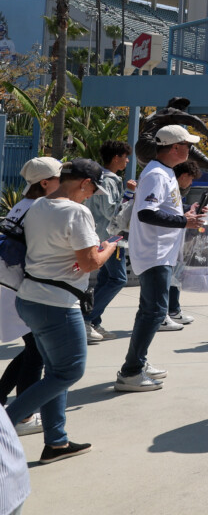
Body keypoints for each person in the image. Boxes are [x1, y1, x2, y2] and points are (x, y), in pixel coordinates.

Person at [6, 159, 118, 463]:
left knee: (56, 371)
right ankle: (6, 421)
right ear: (83, 183)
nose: (93, 195)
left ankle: (56, 442)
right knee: (70, 371)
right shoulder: (76, 211)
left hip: (29, 298)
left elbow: (51, 249)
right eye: (94, 188)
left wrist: (83, 256)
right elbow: (90, 263)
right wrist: (111, 247)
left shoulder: (38, 205)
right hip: (56, 304)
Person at [116, 126, 207, 393]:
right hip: (154, 253)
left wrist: (185, 213)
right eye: (187, 145)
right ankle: (131, 372)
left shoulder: (163, 172)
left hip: (159, 252)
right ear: (174, 147)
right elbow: (146, 212)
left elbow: (159, 209)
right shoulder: (156, 173)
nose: (190, 150)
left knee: (150, 311)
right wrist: (183, 220)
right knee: (154, 312)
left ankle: (137, 363)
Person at [0, 158, 62, 434]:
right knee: (36, 350)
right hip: (16, 286)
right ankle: (23, 417)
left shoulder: (22, 204)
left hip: (7, 282)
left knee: (33, 348)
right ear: (45, 182)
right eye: (60, 177)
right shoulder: (40, 208)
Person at [84, 140, 134, 344]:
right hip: (109, 237)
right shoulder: (109, 180)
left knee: (106, 278)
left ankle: (93, 320)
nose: (127, 160)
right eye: (125, 156)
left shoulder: (101, 177)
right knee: (118, 278)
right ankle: (86, 319)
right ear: (116, 158)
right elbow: (111, 211)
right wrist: (129, 195)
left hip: (104, 234)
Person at [163, 160, 202, 330]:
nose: (191, 183)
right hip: (164, 241)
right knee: (165, 278)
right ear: (184, 176)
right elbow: (164, 211)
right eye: (191, 179)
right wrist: (185, 215)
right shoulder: (168, 186)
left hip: (173, 239)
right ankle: (163, 314)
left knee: (174, 276)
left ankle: (173, 310)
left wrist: (188, 209)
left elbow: (174, 209)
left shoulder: (173, 188)